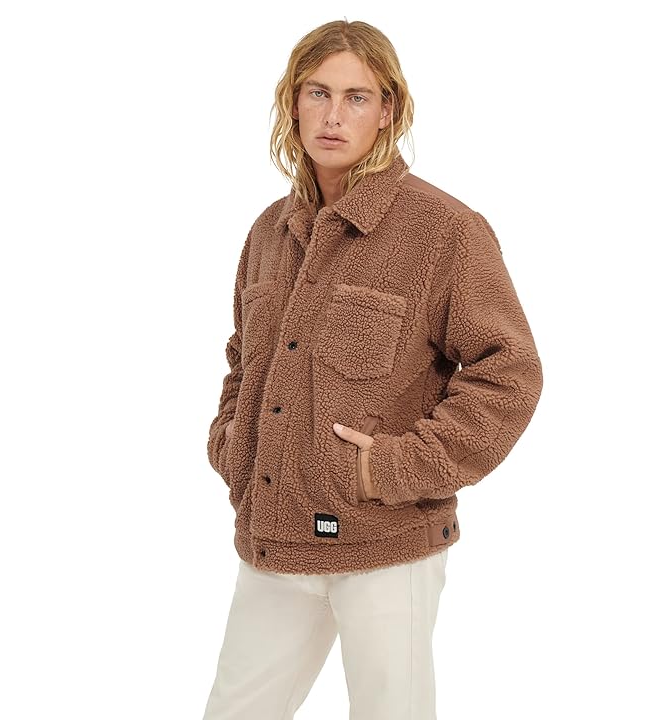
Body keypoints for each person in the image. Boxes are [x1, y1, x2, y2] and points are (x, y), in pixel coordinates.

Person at [201, 19, 543, 720]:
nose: (334, 115)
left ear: (388, 110)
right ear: (292, 102)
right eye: (318, 92)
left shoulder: (443, 230)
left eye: (356, 97)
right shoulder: (268, 232)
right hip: (275, 536)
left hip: (387, 546)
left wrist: (391, 467)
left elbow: (510, 371)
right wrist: (233, 443)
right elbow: (243, 357)